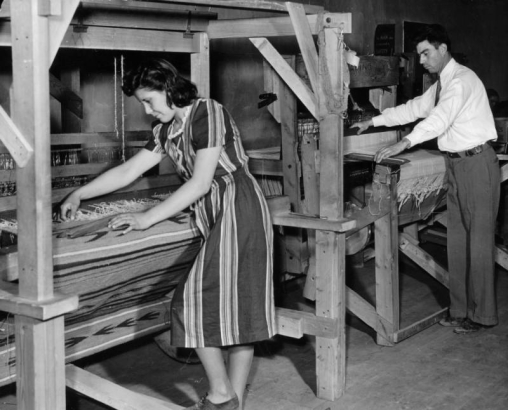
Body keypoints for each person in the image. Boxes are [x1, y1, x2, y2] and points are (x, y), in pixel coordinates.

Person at [60, 58, 276, 410]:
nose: (146, 109)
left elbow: (202, 181)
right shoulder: (165, 130)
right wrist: (80, 193)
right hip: (214, 210)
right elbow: (130, 170)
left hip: (238, 206)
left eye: (149, 100)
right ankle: (230, 403)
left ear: (168, 90)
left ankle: (220, 394)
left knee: (195, 304)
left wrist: (147, 218)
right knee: (234, 309)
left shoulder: (207, 112)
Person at [351, 24, 500, 335]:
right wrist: (373, 121)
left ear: (442, 49)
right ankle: (460, 310)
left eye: (425, 53)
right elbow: (413, 109)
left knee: (480, 243)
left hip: (477, 164)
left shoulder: (461, 81)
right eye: (419, 54)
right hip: (456, 166)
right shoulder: (440, 85)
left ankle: (482, 315)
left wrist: (404, 143)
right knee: (458, 242)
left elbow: (438, 119)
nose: (421, 60)